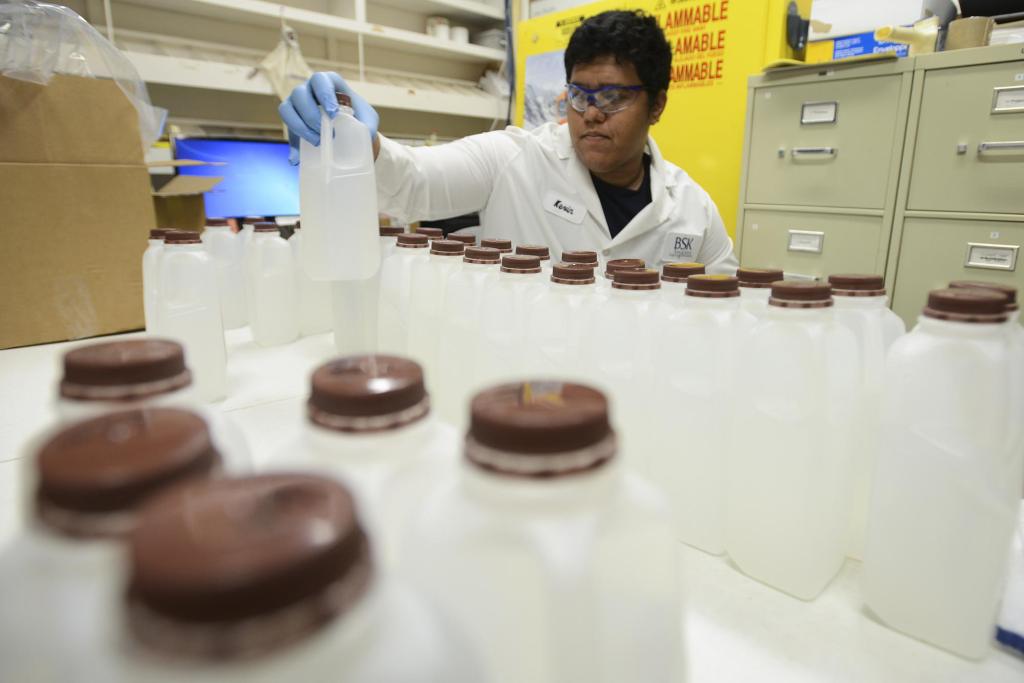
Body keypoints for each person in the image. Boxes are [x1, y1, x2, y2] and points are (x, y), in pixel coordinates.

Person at [279, 10, 738, 271]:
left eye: (614, 96)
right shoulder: (513, 157)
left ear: (656, 105)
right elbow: (414, 183)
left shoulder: (692, 210)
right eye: (580, 95)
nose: (592, 113)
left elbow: (725, 313)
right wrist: (356, 138)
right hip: (522, 393)